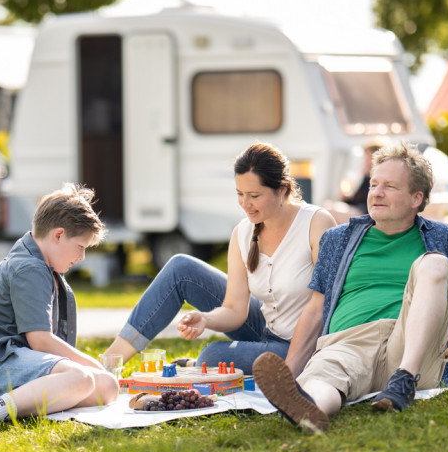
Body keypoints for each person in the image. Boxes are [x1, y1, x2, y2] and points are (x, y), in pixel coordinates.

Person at [252, 141, 448, 434]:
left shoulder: (443, 237)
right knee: (324, 377)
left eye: (390, 187)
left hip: (411, 348)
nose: (377, 193)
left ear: (416, 198)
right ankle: (310, 409)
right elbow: (315, 310)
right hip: (349, 343)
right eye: (374, 184)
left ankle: (402, 381)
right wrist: (290, 375)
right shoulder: (337, 239)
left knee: (435, 264)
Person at [103, 143, 336, 375]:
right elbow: (235, 309)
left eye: (254, 195)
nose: (245, 204)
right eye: (240, 194)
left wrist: (292, 367)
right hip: (264, 328)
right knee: (180, 267)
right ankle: (108, 364)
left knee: (211, 355)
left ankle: (201, 365)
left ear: (282, 189)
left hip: (305, 345)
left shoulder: (316, 223)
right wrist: (206, 319)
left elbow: (324, 306)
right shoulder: (242, 233)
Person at [0, 183, 118, 431]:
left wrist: (100, 373)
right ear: (58, 235)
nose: (82, 257)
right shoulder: (31, 268)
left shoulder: (36, 261)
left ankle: (4, 401)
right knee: (81, 378)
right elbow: (41, 341)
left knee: (108, 387)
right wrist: (96, 365)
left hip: (7, 361)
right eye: (80, 246)